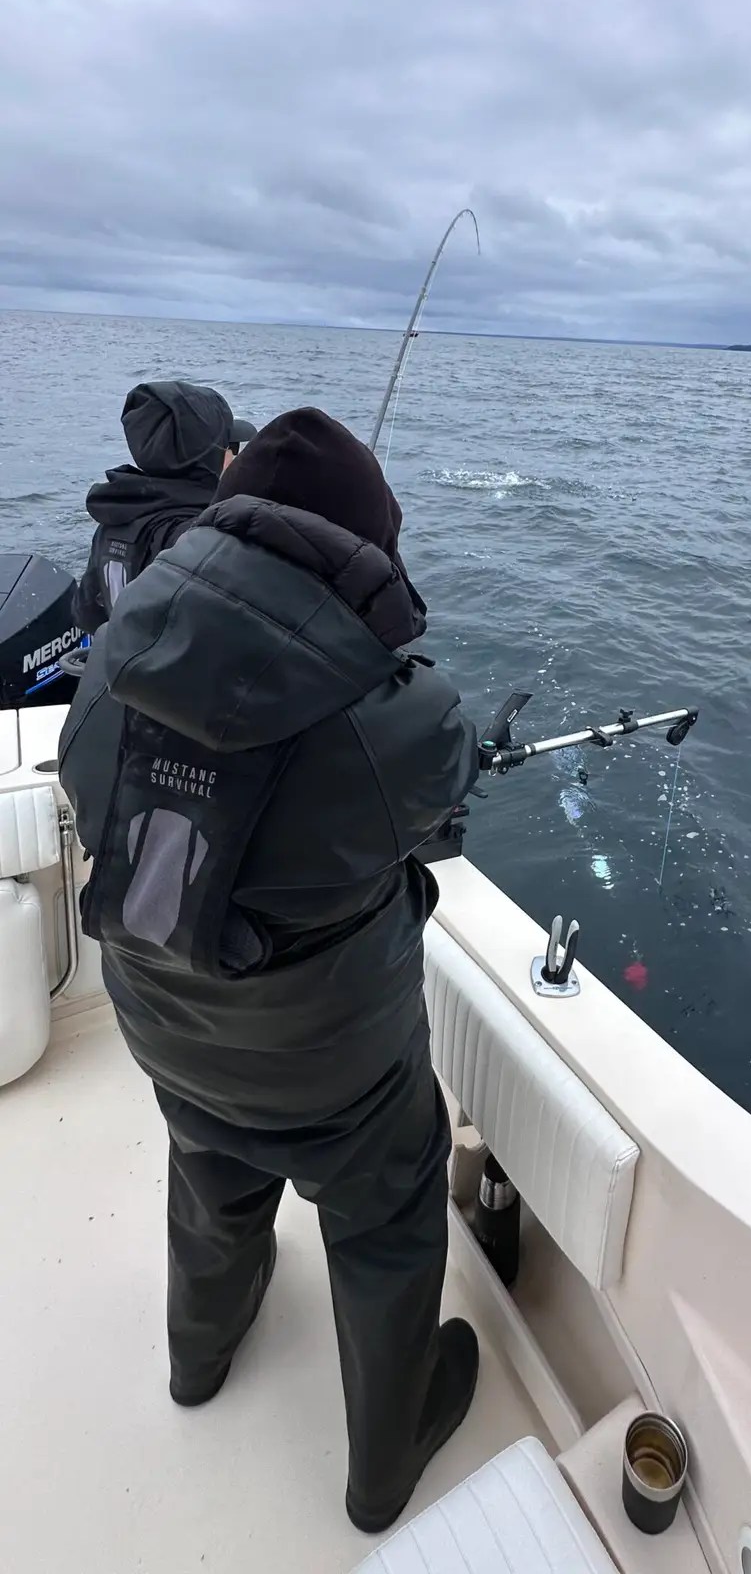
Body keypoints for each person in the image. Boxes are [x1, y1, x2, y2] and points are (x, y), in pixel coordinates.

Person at [58, 408, 480, 1531]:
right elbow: (443, 796)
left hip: (165, 1034)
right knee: (387, 1219)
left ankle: (199, 1358)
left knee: (210, 1163)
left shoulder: (107, 667)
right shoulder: (402, 721)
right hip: (343, 1078)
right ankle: (382, 1471)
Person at [73, 380, 256, 634]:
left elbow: (87, 614)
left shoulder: (116, 516)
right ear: (208, 455)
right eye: (230, 447)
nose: (234, 456)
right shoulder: (202, 534)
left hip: (119, 664)